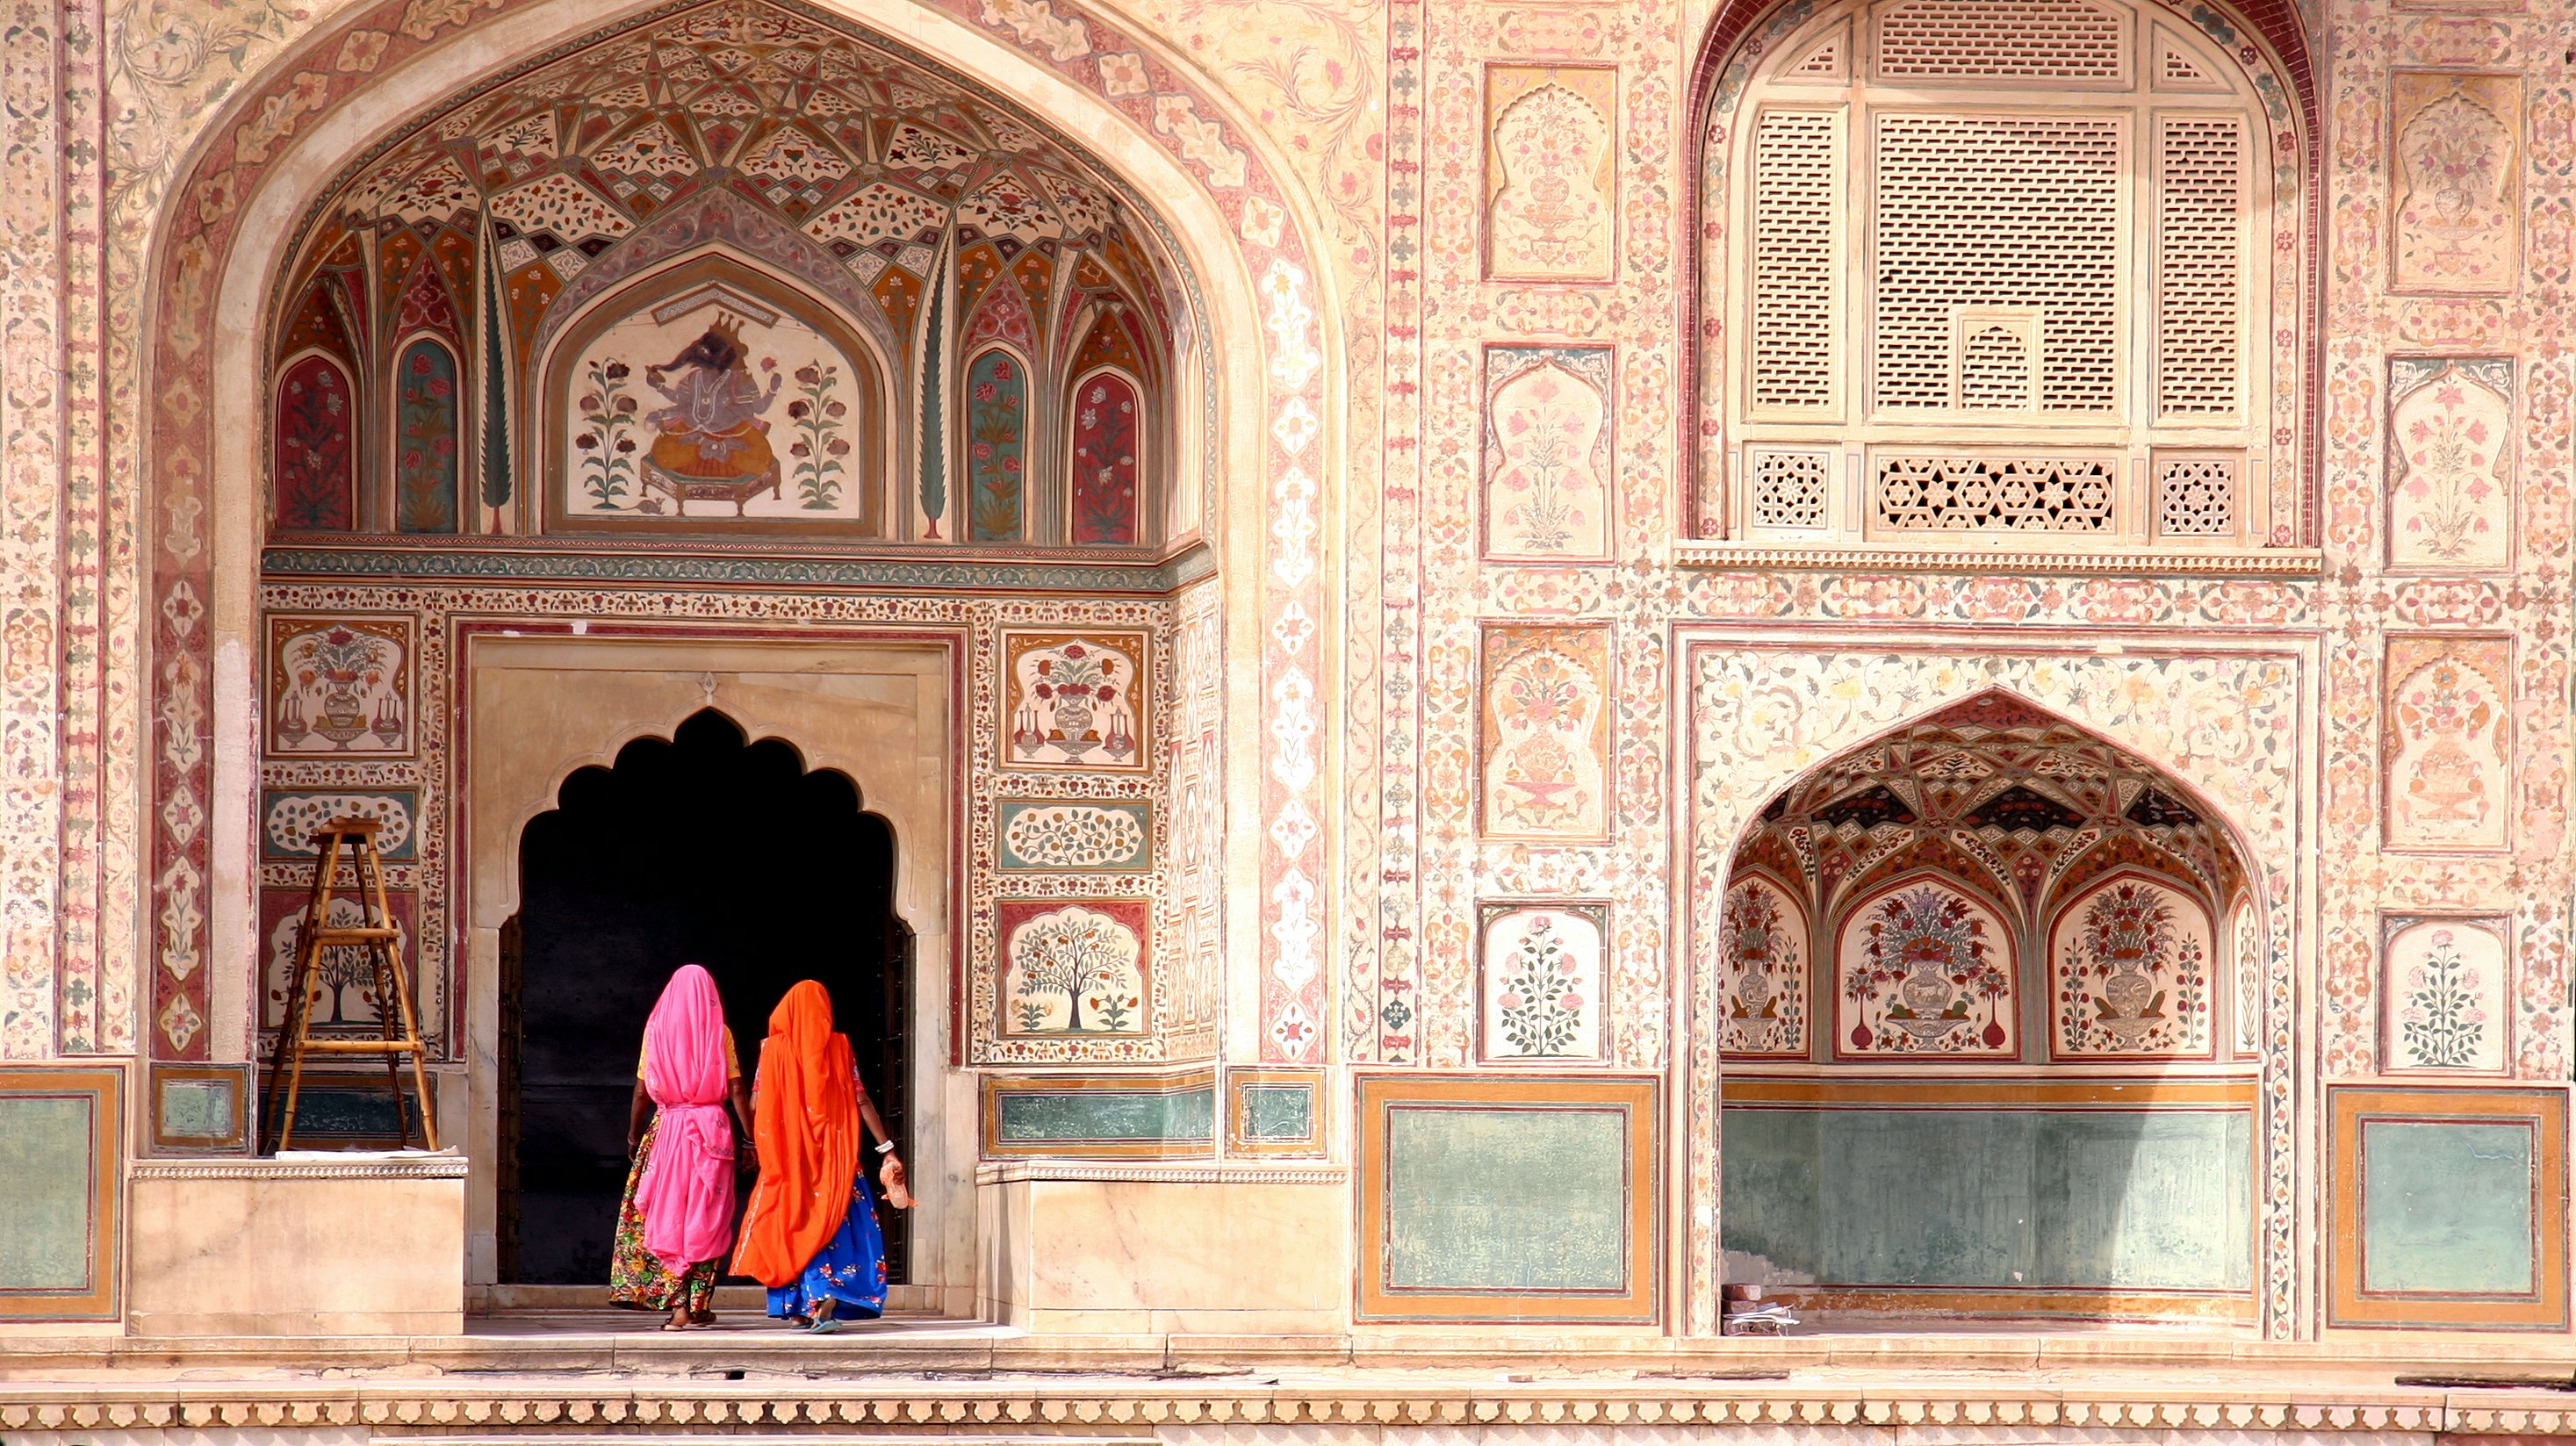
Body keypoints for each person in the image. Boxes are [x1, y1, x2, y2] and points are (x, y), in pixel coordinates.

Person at [731, 980, 909, 1334]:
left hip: (790, 1161)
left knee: (792, 1223)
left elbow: (756, 1100)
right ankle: (824, 1296)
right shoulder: (840, 1047)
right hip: (836, 1160)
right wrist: (887, 1149)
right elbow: (861, 1100)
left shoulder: (772, 1050)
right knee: (835, 1226)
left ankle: (797, 1308)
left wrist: (755, 1144)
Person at [610, 964, 754, 1330]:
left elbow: (642, 1090)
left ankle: (677, 1311)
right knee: (708, 1219)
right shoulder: (719, 1034)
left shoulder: (655, 1032)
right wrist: (750, 1137)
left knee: (669, 1215)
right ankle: (698, 1305)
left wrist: (632, 1134)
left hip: (667, 1132)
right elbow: (737, 1089)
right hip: (713, 1132)